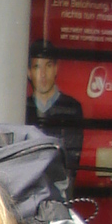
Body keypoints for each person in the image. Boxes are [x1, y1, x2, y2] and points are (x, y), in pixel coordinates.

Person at [26, 43, 84, 189]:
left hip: (60, 190)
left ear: (56, 69)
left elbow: (71, 159)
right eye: (37, 67)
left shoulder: (72, 108)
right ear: (29, 73)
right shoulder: (22, 108)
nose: (43, 74)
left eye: (49, 66)